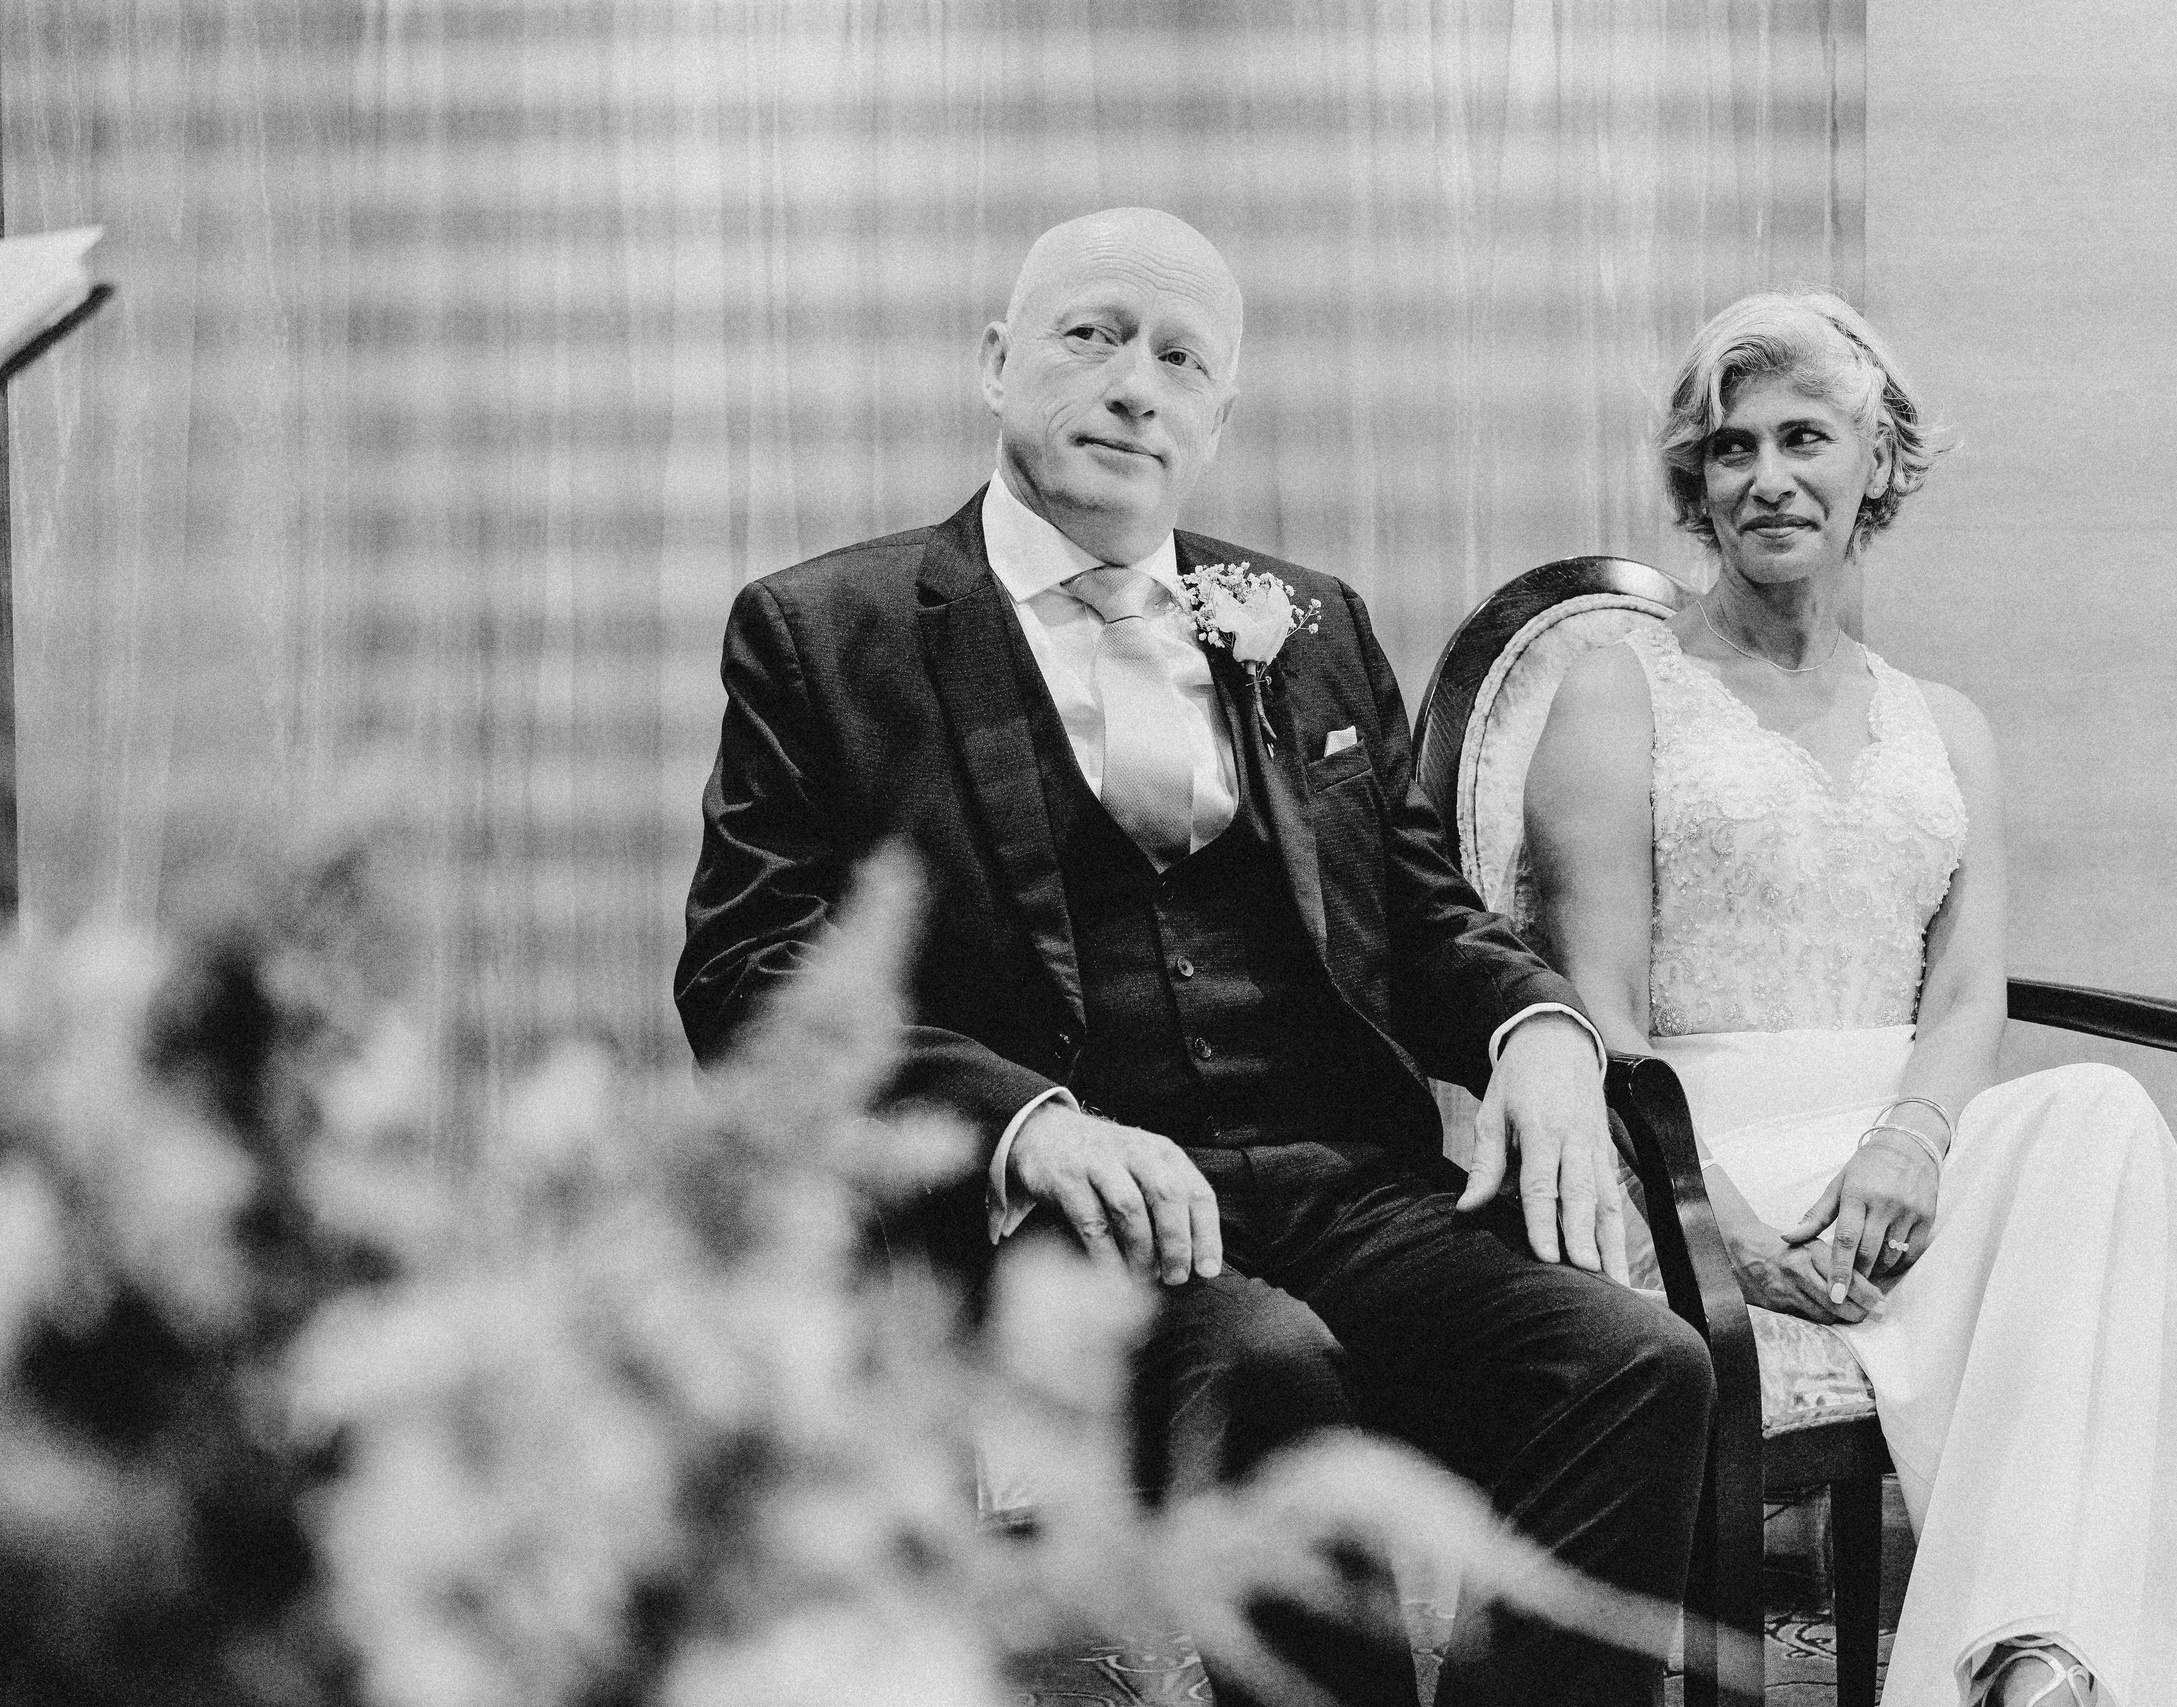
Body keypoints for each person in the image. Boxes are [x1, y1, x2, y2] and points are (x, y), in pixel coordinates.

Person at [675, 207, 1712, 1707]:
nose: (1133, 385)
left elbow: (1424, 924)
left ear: (1218, 413)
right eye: (1091, 337)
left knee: (1636, 1362)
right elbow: (749, 974)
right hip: (1056, 1242)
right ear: (996, 362)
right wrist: (1034, 1126)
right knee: (1270, 1370)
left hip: (1344, 1186)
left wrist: (1536, 1029)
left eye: (1180, 358)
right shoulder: (823, 633)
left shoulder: (1307, 623)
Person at [1525, 290, 2177, 1706]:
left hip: (1908, 1152)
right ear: (1696, 486)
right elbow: (1595, 1000)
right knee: (2133, 1278)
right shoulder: (1616, 690)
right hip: (1698, 1138)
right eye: (1730, 450)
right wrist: (1709, 1204)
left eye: (1807, 437)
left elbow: (1968, 988)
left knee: (2094, 1113)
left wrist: (1911, 1138)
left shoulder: (1943, 721)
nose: (1768, 477)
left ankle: (2032, 1661)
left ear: (1878, 467)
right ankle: (2037, 1662)